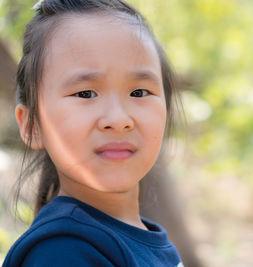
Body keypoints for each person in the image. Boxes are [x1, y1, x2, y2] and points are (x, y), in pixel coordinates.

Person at [3, 0, 184, 266]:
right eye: (85, 93)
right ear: (32, 125)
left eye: (139, 92)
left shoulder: (140, 237)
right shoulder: (63, 251)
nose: (119, 119)